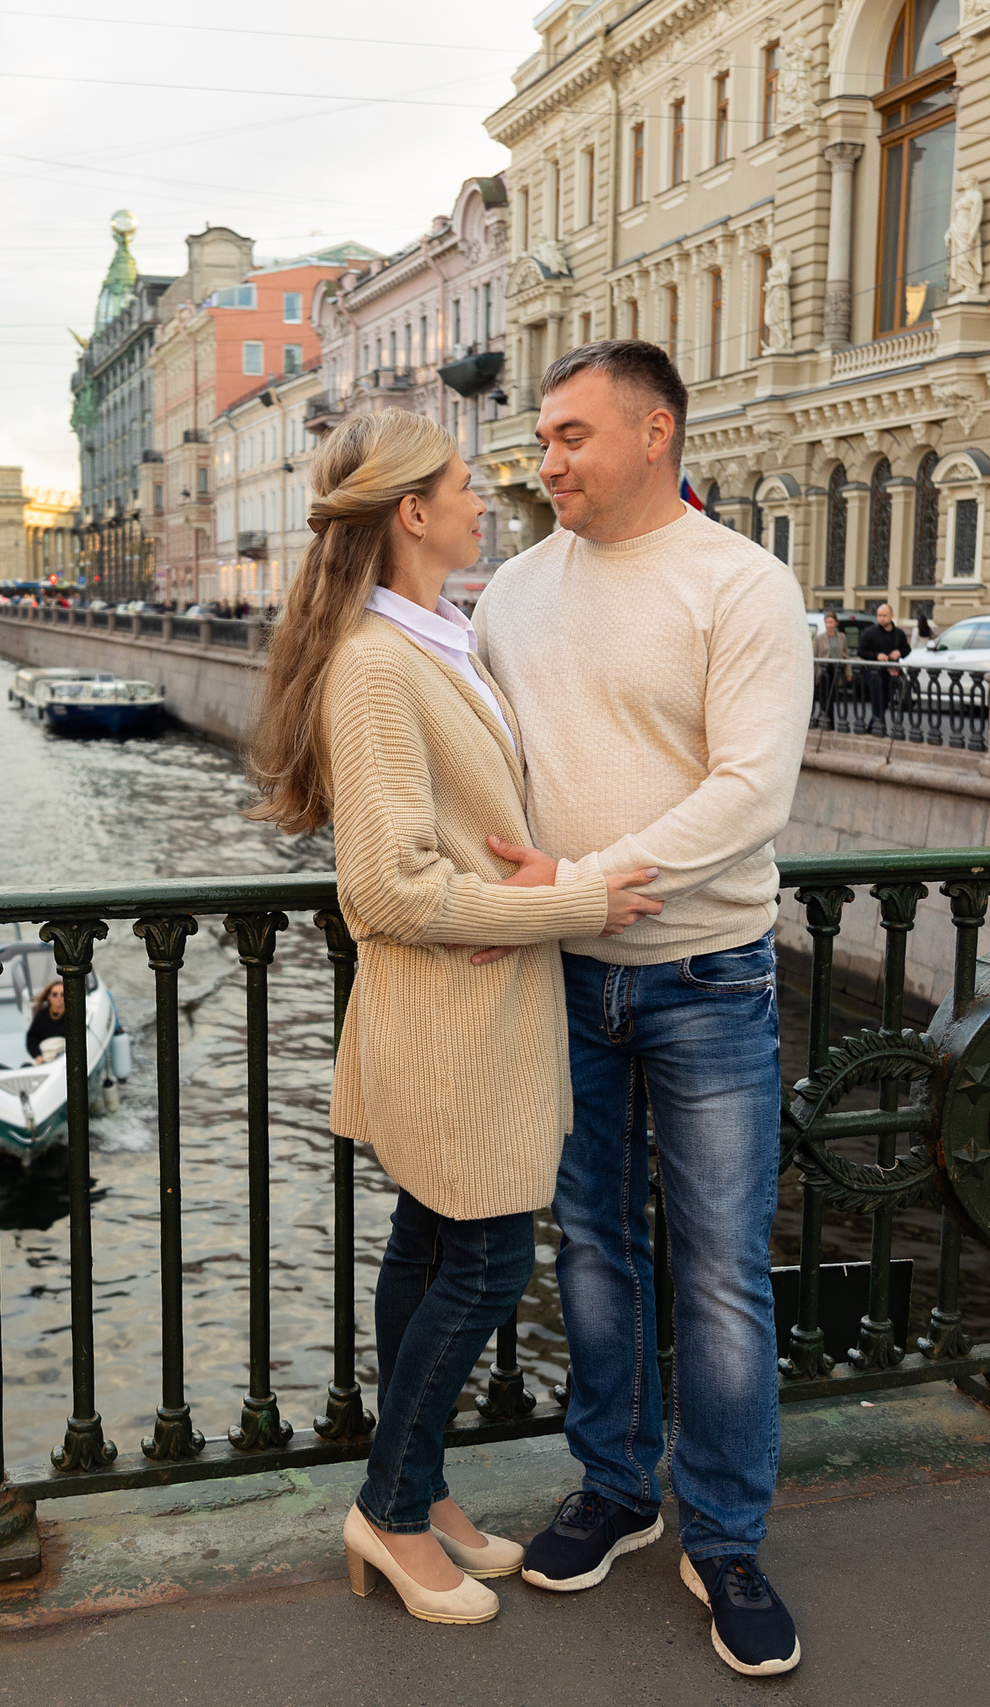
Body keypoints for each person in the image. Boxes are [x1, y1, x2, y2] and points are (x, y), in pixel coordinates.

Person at [243, 410, 660, 1629]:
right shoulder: (377, 663)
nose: (490, 503)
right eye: (469, 489)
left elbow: (457, 833)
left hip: (474, 1000)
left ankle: (417, 1497)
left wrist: (531, 883)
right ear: (410, 514)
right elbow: (384, 883)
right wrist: (573, 899)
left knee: (430, 1249)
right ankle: (383, 1506)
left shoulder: (435, 634)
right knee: (479, 1267)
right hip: (450, 1017)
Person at [472, 340, 810, 1678]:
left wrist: (591, 878)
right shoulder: (512, 591)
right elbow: (488, 760)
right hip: (560, 971)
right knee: (597, 1245)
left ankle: (724, 1537)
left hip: (707, 973)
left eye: (571, 435)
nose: (547, 458)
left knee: (722, 1269)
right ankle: (616, 1484)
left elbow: (752, 792)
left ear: (656, 431)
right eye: (543, 439)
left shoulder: (743, 584)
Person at [855, 600, 910, 728]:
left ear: (892, 616)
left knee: (885, 701)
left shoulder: (899, 633)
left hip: (892, 672)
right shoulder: (870, 632)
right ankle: (879, 727)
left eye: (884, 615)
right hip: (875, 672)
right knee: (878, 700)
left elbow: (907, 649)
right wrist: (876, 655)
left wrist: (899, 652)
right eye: (879, 615)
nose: (881, 618)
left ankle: (873, 728)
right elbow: (861, 651)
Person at [25, 980, 68, 1062]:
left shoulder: (72, 1016)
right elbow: (32, 1038)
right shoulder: (41, 1016)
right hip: (44, 1056)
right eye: (55, 994)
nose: (59, 997)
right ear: (48, 996)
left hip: (64, 1056)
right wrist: (37, 1056)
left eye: (62, 994)